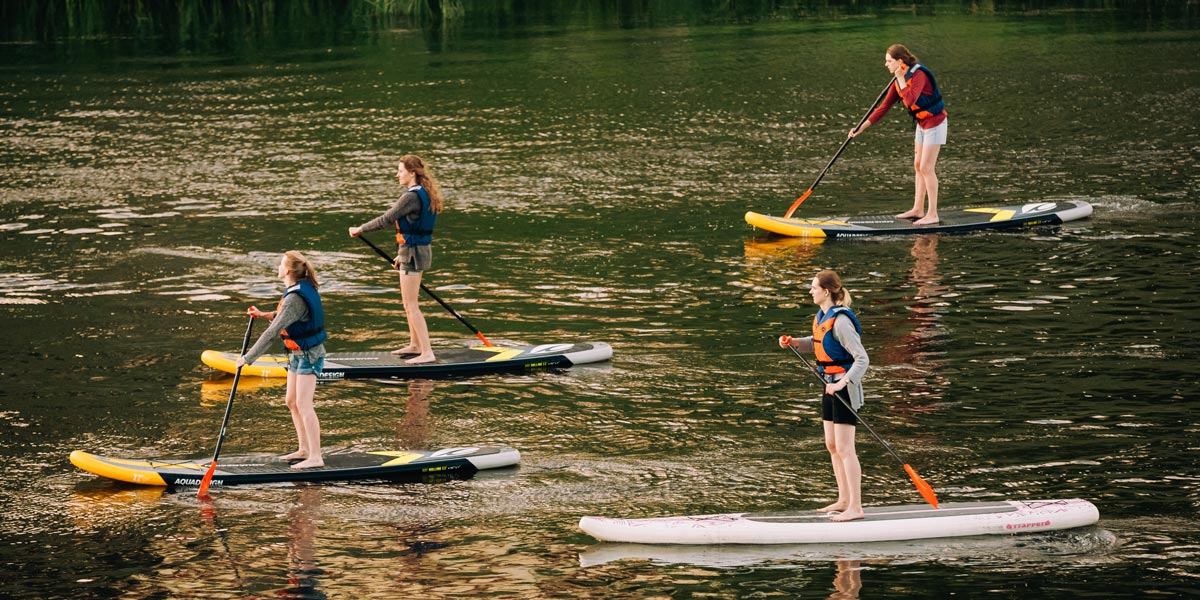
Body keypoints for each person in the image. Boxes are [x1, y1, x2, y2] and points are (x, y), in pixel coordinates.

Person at [779, 269, 870, 521]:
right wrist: (795, 342)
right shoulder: (822, 317)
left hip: (844, 389)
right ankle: (843, 499)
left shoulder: (841, 321)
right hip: (828, 385)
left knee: (845, 448)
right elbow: (818, 343)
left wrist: (842, 383)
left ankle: (856, 508)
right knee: (831, 445)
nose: (810, 291)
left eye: (814, 287)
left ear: (826, 291)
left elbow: (862, 359)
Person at [348, 154, 444, 364]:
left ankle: (427, 352)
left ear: (412, 173)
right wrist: (401, 255)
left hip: (413, 253)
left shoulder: (410, 197)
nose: (397, 174)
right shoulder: (423, 192)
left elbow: (387, 219)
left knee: (411, 304)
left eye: (400, 171)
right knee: (408, 302)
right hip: (414, 251)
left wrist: (360, 229)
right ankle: (415, 344)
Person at [236, 251, 328, 470]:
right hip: (297, 353)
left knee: (304, 404)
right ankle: (304, 449)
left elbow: (272, 333)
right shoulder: (295, 293)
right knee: (291, 401)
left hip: (309, 354)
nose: (277, 267)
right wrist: (263, 314)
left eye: (280, 264)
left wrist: (247, 358)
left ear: (287, 271)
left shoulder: (294, 298)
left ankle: (316, 456)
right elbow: (286, 317)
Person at [848, 44, 947, 225]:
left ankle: (933, 214)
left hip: (936, 122)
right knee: (918, 165)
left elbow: (910, 101)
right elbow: (883, 107)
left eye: (889, 61)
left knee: (926, 167)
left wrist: (900, 78)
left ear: (900, 62)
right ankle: (918, 209)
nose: (886, 65)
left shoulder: (919, 75)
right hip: (922, 124)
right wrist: (861, 127)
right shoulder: (898, 81)